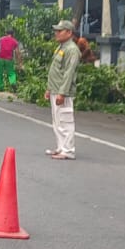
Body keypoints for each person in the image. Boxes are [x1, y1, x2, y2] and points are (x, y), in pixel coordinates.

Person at [47, 18, 79, 160]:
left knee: (65, 121)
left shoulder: (72, 50)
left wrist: (62, 92)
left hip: (63, 92)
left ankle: (68, 150)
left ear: (69, 32)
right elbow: (55, 70)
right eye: (56, 31)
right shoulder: (61, 47)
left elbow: (69, 73)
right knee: (57, 121)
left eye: (60, 31)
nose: (57, 34)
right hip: (55, 89)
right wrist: (49, 89)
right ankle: (61, 147)